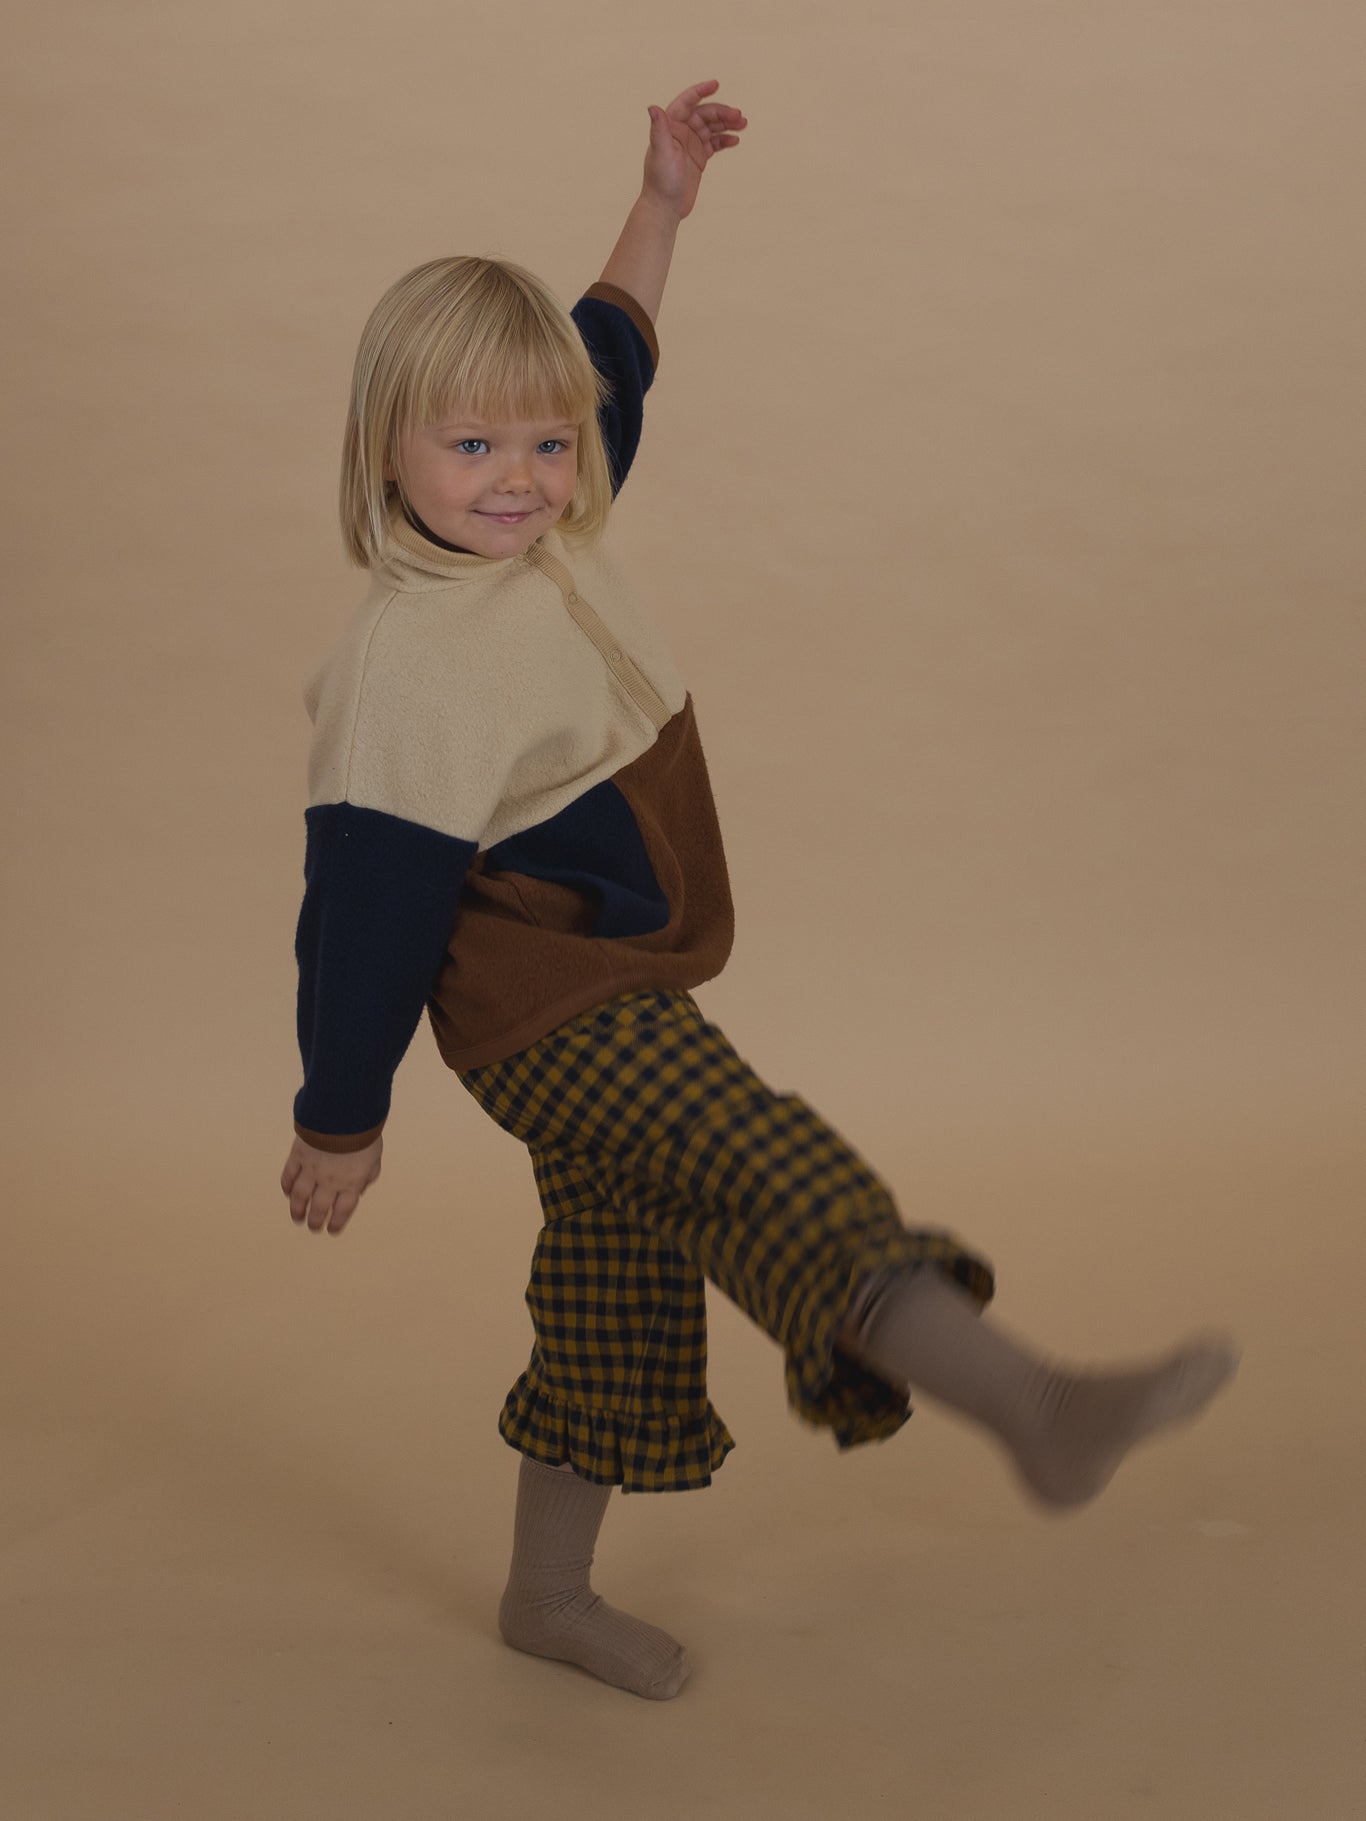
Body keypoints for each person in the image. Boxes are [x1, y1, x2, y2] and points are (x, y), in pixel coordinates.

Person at [279, 79, 1240, 1702]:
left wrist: (659, 204)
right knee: (760, 1161)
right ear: (382, 445)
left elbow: (613, 350)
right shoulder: (404, 667)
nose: (522, 474)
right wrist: (337, 1114)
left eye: (544, 438)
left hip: (621, 972)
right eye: (470, 445)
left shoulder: (548, 527)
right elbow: (361, 912)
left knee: (620, 1283)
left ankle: (546, 1595)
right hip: (546, 1006)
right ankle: (1034, 1404)